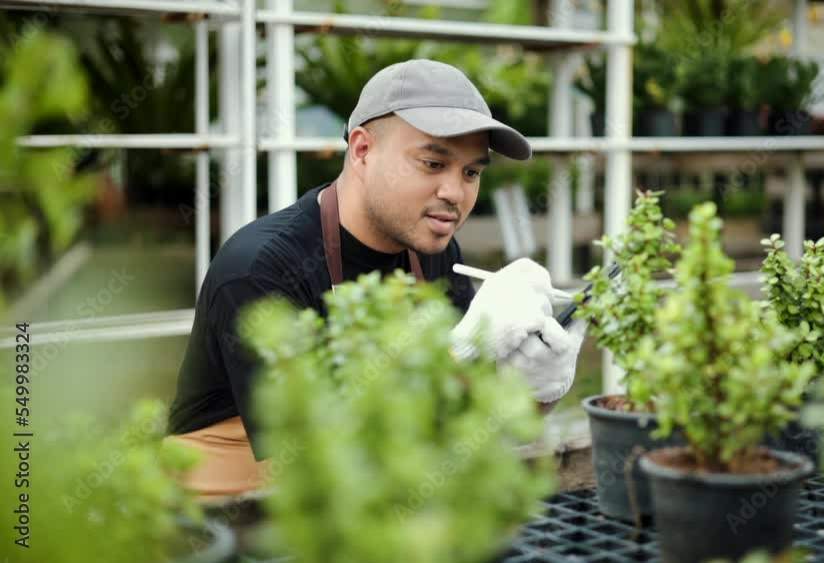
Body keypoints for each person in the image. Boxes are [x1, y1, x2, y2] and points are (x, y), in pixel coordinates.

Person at [165, 59, 586, 499]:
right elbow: (307, 459)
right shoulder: (260, 269)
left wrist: (536, 389)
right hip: (229, 511)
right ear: (363, 150)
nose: (454, 193)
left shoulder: (434, 252)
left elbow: (461, 420)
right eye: (432, 163)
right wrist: (456, 355)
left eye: (471, 173)